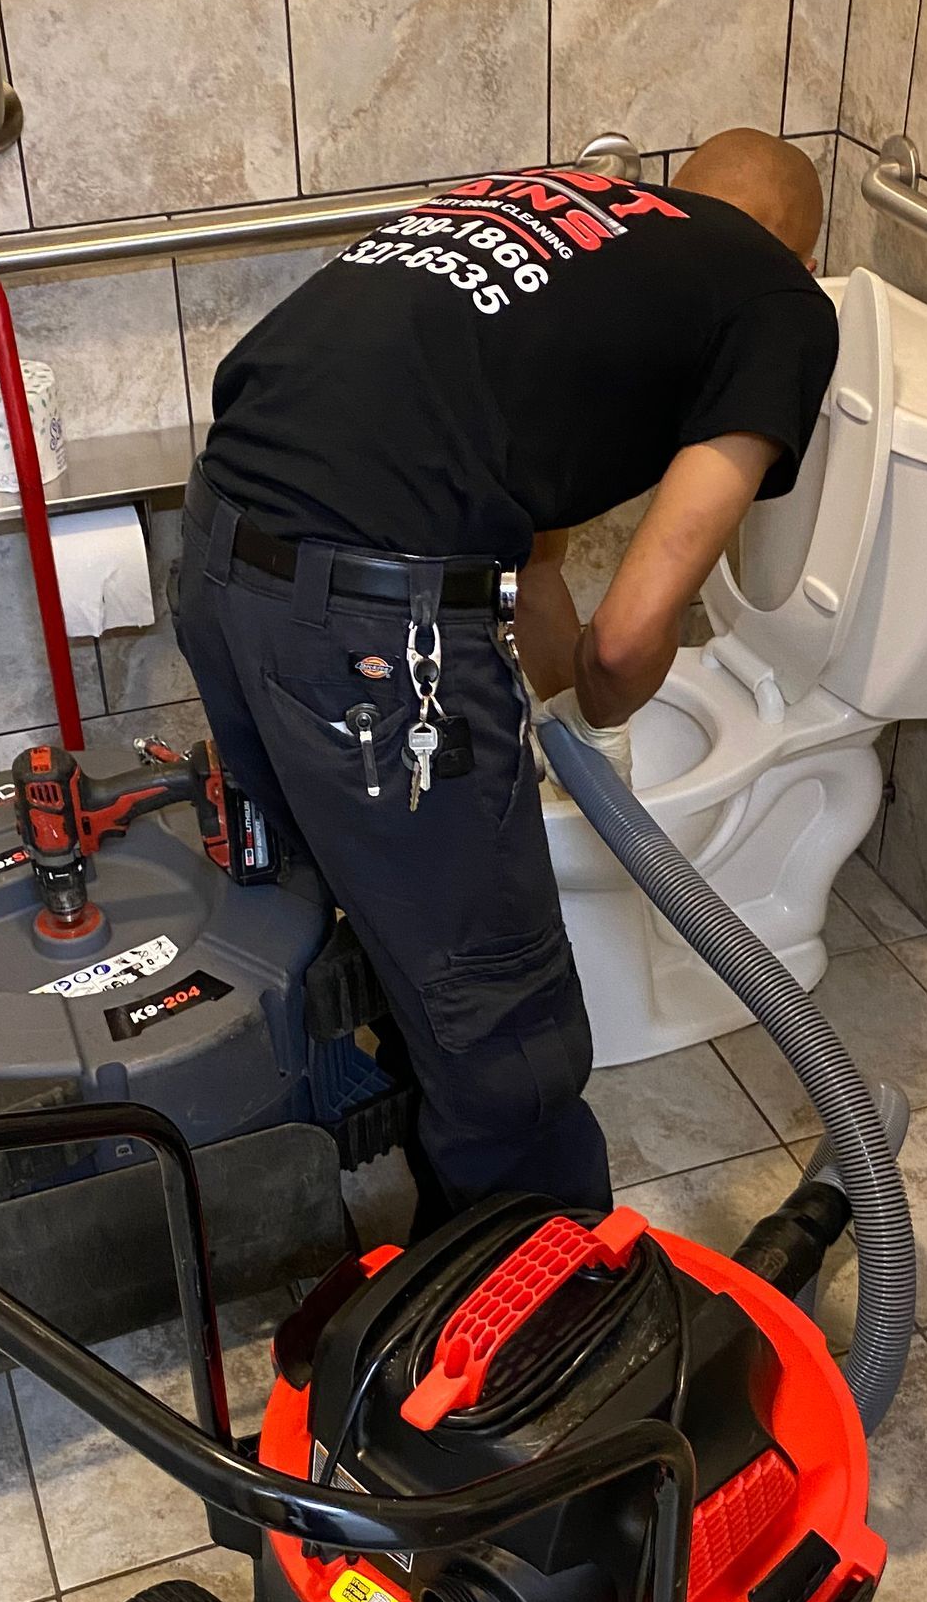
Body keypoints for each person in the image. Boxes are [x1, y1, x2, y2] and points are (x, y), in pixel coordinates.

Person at [174, 128, 838, 1223]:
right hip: (370, 632)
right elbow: (634, 630)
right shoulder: (779, 301)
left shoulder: (572, 213)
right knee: (505, 1027)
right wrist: (601, 716)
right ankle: (530, 1325)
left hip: (220, 553)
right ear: (800, 254)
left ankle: (409, 1235)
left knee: (361, 924)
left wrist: (558, 696)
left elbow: (536, 557)